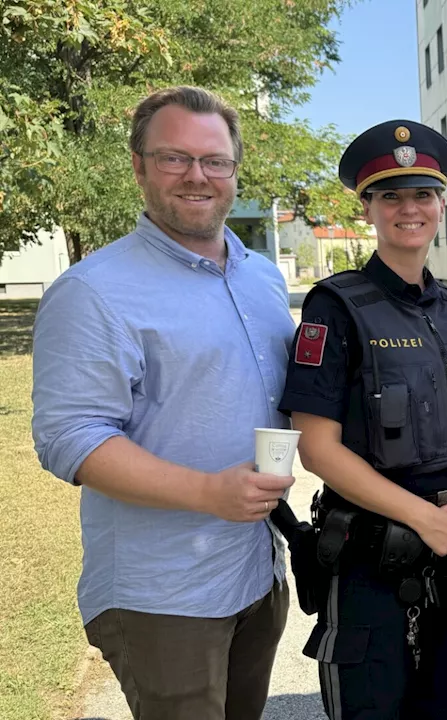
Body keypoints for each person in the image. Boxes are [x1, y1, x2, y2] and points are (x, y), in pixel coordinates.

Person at [31, 86, 294, 720]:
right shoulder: (93, 290)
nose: (197, 176)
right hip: (164, 595)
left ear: (234, 169)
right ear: (138, 165)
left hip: (256, 571)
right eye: (174, 158)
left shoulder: (261, 276)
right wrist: (209, 493)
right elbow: (70, 437)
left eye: (215, 160)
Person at [277, 120, 447, 719]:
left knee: (444, 710)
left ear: (442, 205)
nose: (409, 209)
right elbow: (317, 448)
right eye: (391, 195)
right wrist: (422, 518)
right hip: (376, 557)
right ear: (368, 209)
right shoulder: (337, 306)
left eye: (422, 194)